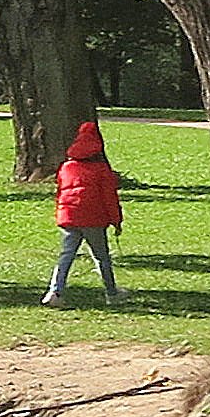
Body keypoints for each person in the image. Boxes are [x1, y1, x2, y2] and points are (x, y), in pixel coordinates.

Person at [43, 121, 124, 304]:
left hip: (69, 216)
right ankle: (111, 293)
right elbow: (109, 198)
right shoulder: (101, 170)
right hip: (93, 218)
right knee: (101, 257)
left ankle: (55, 291)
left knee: (66, 254)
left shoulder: (66, 168)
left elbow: (61, 191)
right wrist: (116, 220)